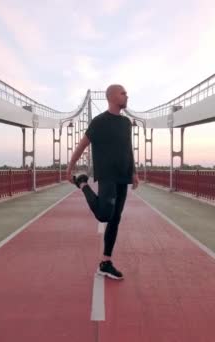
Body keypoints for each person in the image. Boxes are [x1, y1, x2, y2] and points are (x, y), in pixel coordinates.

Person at [65, 84, 139, 280]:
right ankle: (82, 183)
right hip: (107, 175)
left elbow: (128, 149)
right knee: (104, 216)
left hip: (123, 176)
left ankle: (106, 263)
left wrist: (134, 172)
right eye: (123, 93)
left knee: (115, 220)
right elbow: (82, 145)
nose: (127, 95)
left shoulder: (126, 123)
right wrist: (70, 168)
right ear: (112, 96)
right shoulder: (99, 122)